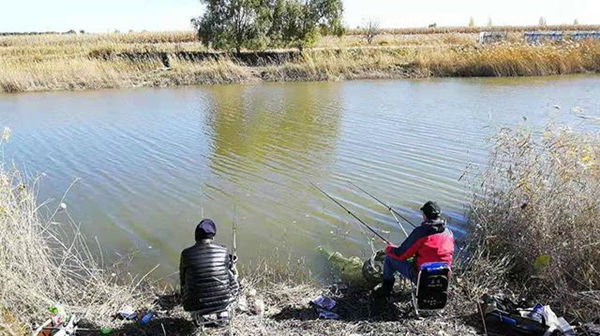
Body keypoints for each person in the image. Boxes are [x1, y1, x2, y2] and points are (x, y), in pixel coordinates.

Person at [374, 201, 454, 304]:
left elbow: (401, 254)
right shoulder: (449, 233)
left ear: (424, 215)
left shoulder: (420, 232)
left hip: (422, 279)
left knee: (389, 259)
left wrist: (389, 248)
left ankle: (385, 293)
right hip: (442, 280)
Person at [180, 219, 239, 318]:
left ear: (196, 236)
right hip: (225, 301)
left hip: (194, 305)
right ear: (213, 237)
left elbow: (182, 280)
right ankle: (222, 312)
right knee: (230, 273)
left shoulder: (186, 254)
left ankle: (202, 314)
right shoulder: (224, 251)